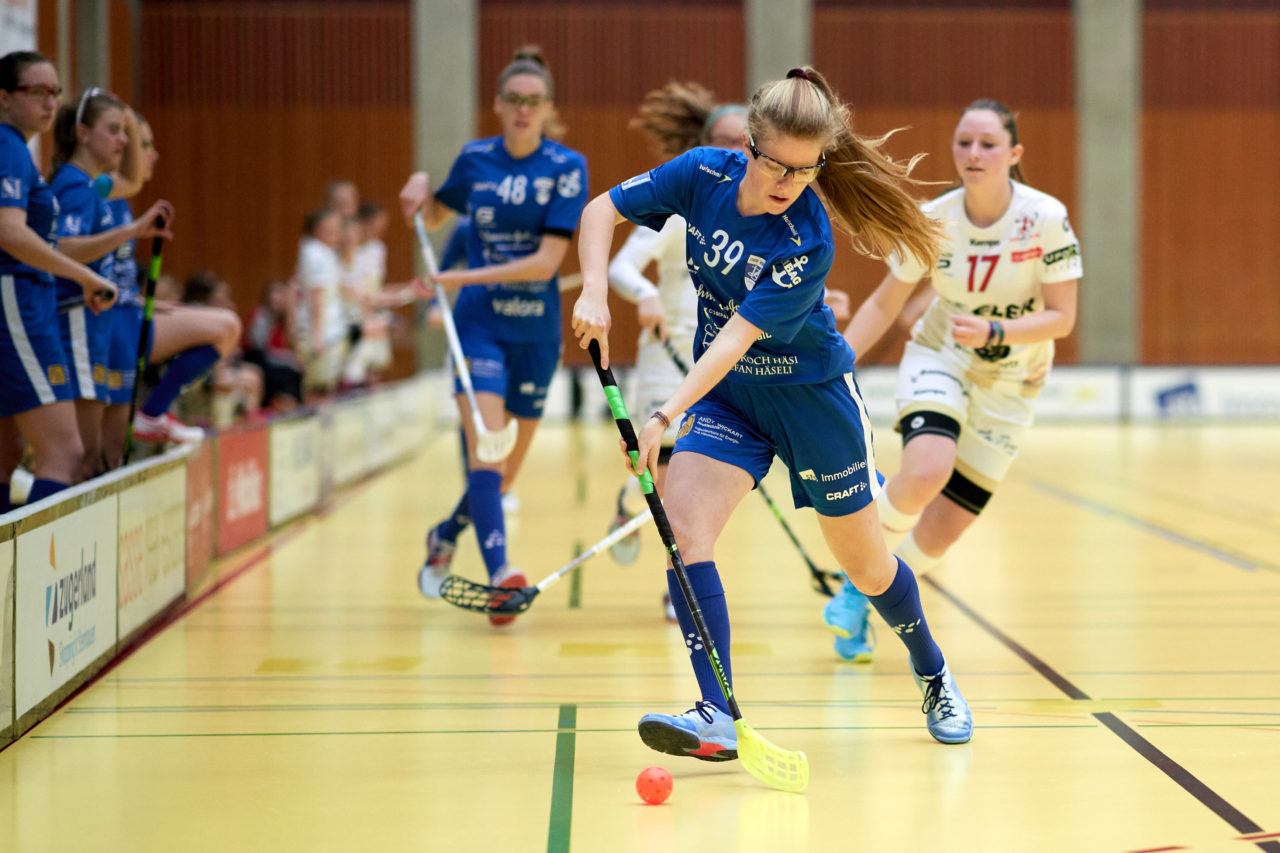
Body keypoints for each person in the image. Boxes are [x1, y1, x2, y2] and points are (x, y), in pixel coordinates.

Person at [571, 66, 973, 760]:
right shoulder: (701, 173)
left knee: (867, 568)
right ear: (748, 145)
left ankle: (933, 671)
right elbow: (601, 210)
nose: (789, 181)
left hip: (812, 402)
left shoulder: (806, 237)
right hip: (731, 400)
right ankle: (717, 712)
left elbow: (735, 339)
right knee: (685, 531)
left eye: (806, 168)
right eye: (776, 164)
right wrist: (593, 291)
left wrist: (663, 415)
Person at [821, 98, 1081, 661]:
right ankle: (861, 571)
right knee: (926, 470)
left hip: (1013, 382)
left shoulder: (1045, 217)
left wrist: (994, 331)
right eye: (964, 142)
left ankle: (862, 594)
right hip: (942, 357)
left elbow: (1062, 318)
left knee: (942, 532)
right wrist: (837, 363)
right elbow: (885, 302)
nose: (974, 153)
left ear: (1014, 153)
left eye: (988, 144)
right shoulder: (934, 219)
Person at [400, 45, 588, 626]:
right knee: (487, 448)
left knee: (504, 472)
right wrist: (421, 186)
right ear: (499, 104)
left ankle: (445, 533)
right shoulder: (475, 159)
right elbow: (436, 214)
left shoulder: (567, 167)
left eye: (534, 101)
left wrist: (458, 278)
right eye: (513, 100)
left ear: (548, 108)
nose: (523, 110)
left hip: (536, 334)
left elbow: (546, 263)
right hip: (479, 327)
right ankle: (502, 576)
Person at [601, 82, 747, 608]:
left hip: (719, 365)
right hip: (667, 356)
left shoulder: (761, 216)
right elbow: (621, 266)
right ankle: (639, 521)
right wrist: (645, 294)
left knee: (692, 481)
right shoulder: (678, 210)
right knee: (661, 474)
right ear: (704, 147)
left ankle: (679, 575)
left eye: (745, 141)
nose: (736, 150)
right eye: (724, 140)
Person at [0, 52, 118, 508]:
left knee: (7, 455)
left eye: (55, 92)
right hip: (18, 299)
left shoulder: (17, 150)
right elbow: (10, 233)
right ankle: (34, 559)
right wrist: (85, 275)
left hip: (26, 299)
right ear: (4, 97)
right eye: (37, 92)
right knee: (65, 455)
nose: (50, 102)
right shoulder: (9, 146)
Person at [48, 89, 173, 478]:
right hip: (76, 318)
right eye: (114, 130)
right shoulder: (73, 184)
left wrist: (132, 124)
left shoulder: (94, 184)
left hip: (95, 322)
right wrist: (132, 230)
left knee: (96, 456)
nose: (123, 140)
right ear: (83, 134)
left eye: (124, 132)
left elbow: (133, 180)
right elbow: (64, 247)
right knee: (82, 459)